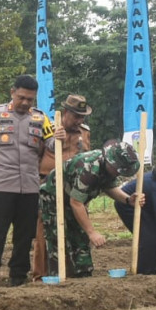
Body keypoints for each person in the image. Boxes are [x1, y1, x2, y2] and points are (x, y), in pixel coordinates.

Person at [0, 74, 53, 287]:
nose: (25, 103)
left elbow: (53, 144)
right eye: (21, 98)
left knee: (24, 237)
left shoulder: (41, 118)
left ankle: (18, 277)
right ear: (12, 93)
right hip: (1, 186)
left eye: (30, 100)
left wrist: (60, 137)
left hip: (29, 188)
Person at [40, 141, 140, 277]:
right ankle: (57, 276)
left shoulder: (109, 170)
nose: (118, 173)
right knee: (57, 235)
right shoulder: (89, 168)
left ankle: (83, 274)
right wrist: (92, 232)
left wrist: (128, 200)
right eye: (117, 169)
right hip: (53, 195)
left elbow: (109, 187)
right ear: (110, 162)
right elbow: (76, 203)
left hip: (74, 197)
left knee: (80, 234)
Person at [33, 94, 93, 279]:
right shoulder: (49, 129)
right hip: (48, 189)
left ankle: (73, 272)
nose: (79, 120)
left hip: (75, 190)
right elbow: (36, 156)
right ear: (66, 112)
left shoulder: (84, 132)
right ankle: (41, 274)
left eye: (82, 117)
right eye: (76, 116)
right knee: (45, 232)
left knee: (76, 230)